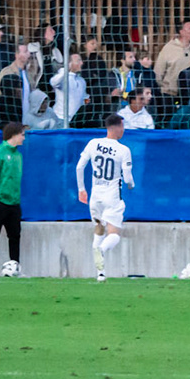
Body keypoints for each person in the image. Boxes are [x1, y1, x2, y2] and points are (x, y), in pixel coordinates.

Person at [76, 114, 135, 281]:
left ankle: (100, 274)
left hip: (96, 194)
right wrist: (131, 185)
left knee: (99, 228)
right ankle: (101, 250)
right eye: (122, 127)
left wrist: (82, 189)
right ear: (114, 128)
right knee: (114, 233)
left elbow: (80, 167)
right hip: (112, 195)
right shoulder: (123, 150)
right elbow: (128, 177)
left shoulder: (94, 143)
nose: (123, 130)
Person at [0, 122, 26, 278]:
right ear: (14, 135)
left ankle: (15, 267)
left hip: (14, 203)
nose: (24, 138)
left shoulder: (18, 155)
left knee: (15, 236)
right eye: (22, 134)